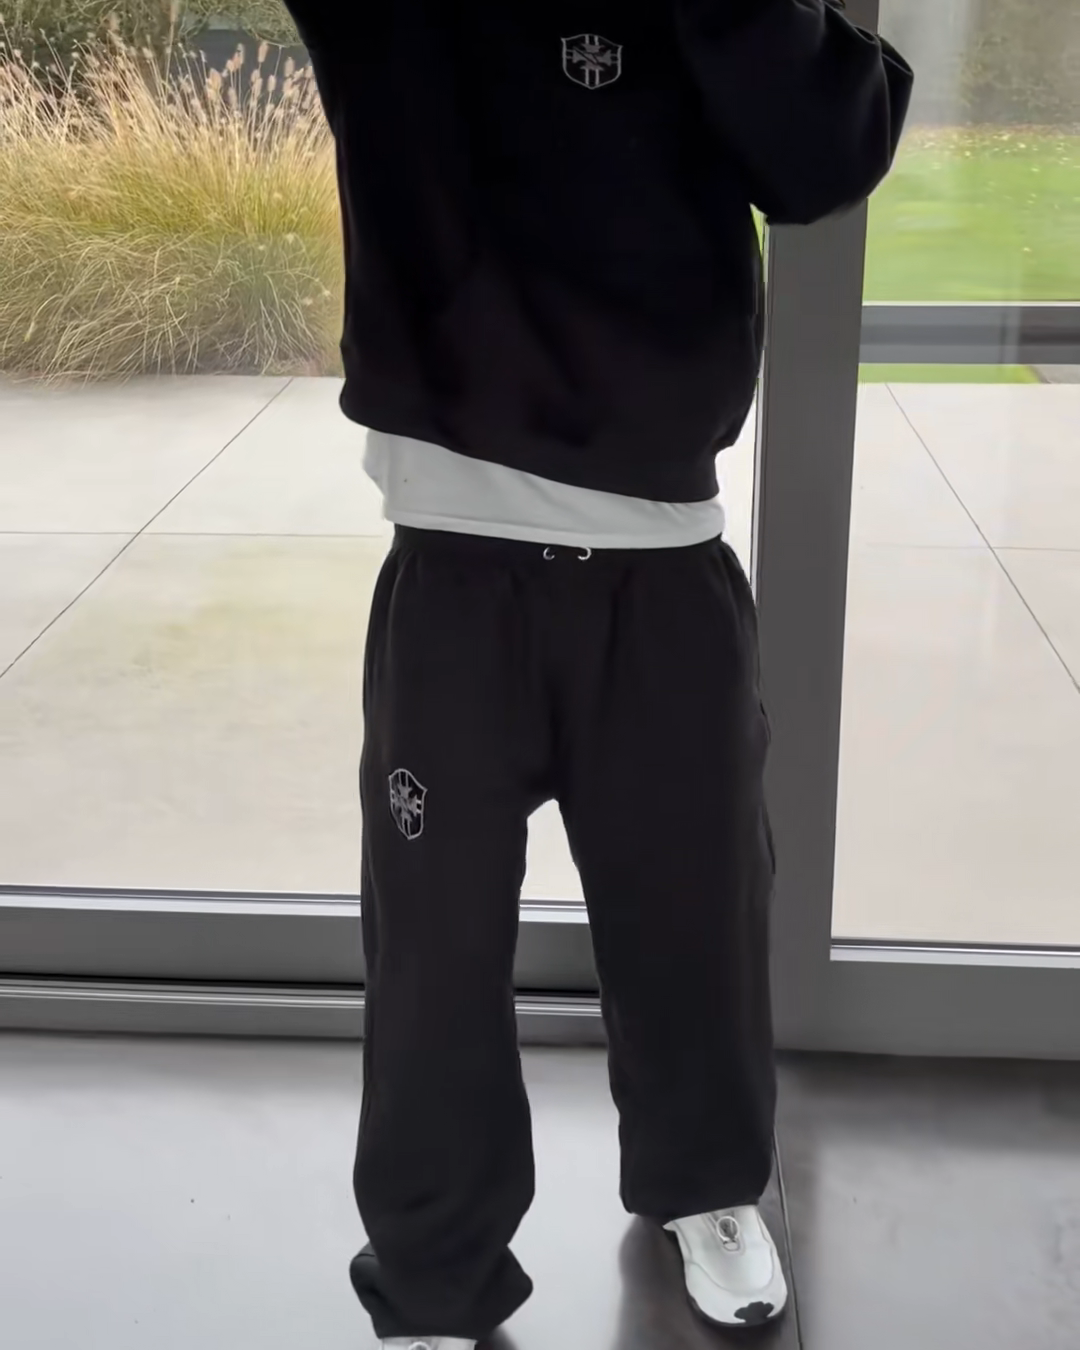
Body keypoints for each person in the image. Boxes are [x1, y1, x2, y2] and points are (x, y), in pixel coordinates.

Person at [282, 2, 912, 1345]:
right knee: (435, 947)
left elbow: (830, 151)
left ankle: (710, 1185)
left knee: (696, 914)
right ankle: (433, 1264)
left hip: (660, 559)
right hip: (455, 565)